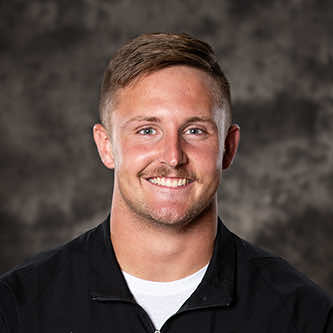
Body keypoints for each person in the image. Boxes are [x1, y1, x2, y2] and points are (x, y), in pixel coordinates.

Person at [0, 33, 332, 333]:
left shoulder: (301, 315)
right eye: (147, 130)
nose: (173, 157)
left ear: (229, 147)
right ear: (106, 145)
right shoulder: (19, 306)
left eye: (195, 130)